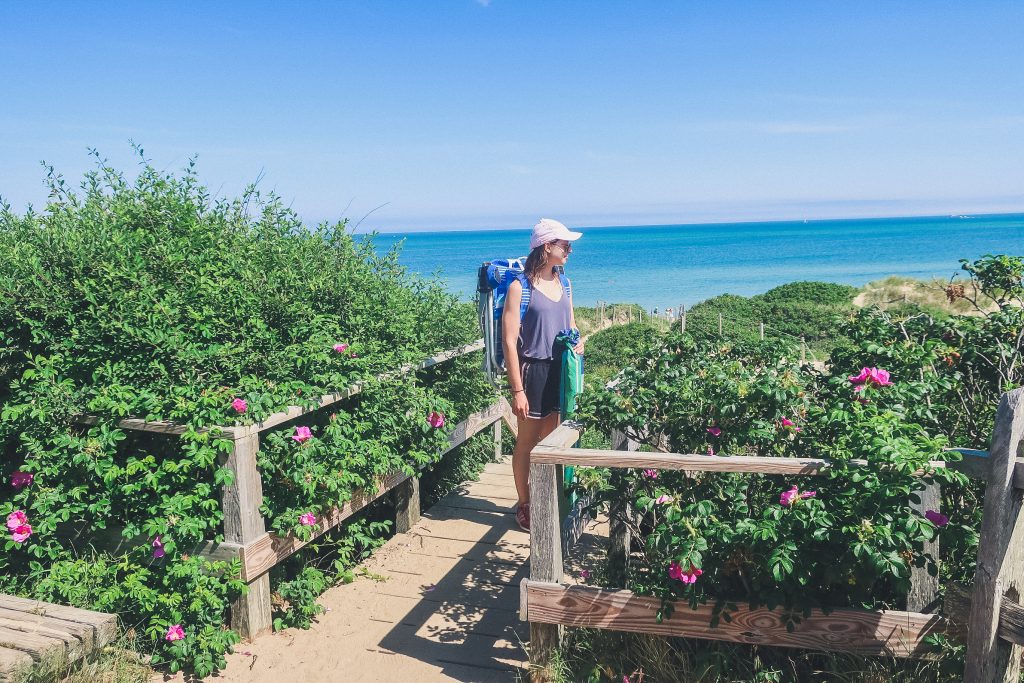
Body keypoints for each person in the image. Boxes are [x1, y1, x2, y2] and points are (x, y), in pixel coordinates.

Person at [502, 218, 583, 531]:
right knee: (527, 442)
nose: (569, 250)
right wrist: (517, 391)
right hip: (532, 372)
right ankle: (525, 505)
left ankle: (546, 498)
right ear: (547, 246)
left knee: (552, 441)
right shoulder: (519, 288)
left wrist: (577, 342)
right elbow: (509, 341)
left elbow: (571, 323)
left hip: (559, 371)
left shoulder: (564, 282)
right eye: (565, 244)